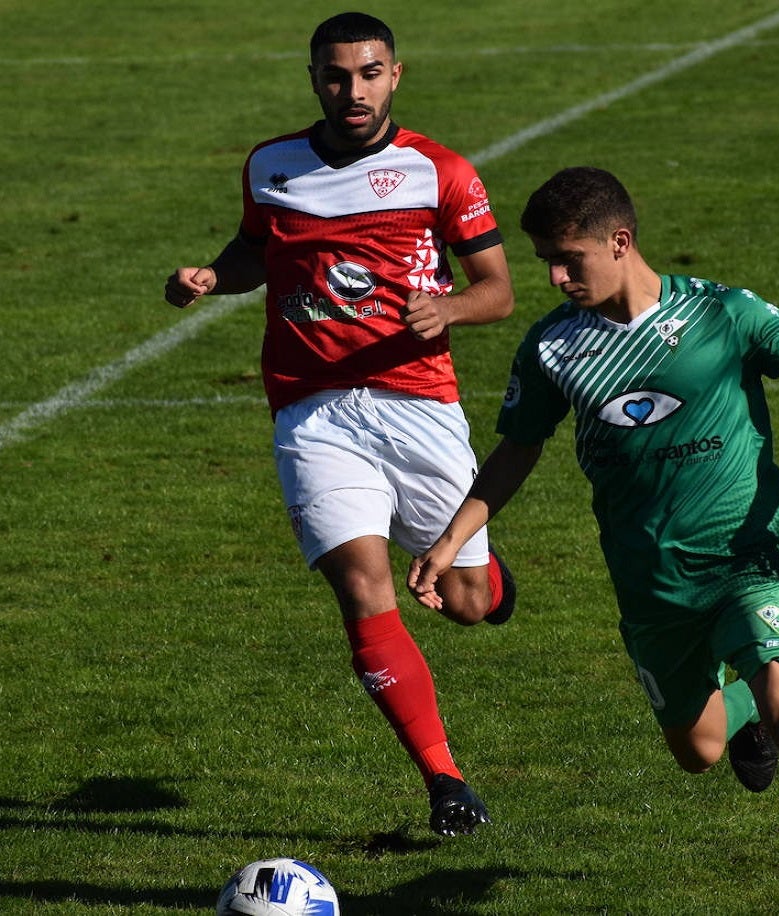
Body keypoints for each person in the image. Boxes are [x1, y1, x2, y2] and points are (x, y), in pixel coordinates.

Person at [409, 166, 779, 912]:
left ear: (619, 242)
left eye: (567, 258)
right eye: (545, 261)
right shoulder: (552, 349)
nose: (553, 277)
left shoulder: (724, 313)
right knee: (699, 750)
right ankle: (742, 703)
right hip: (651, 581)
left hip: (750, 558)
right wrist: (452, 538)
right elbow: (517, 450)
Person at [163, 12, 515, 837]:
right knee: (363, 587)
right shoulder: (271, 164)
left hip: (417, 402)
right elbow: (257, 249)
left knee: (464, 602)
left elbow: (497, 289)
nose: (350, 90)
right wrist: (214, 275)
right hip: (311, 406)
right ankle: (444, 781)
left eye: (367, 74)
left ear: (396, 75)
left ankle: (492, 586)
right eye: (334, 75)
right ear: (313, 78)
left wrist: (451, 308)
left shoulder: (442, 173)